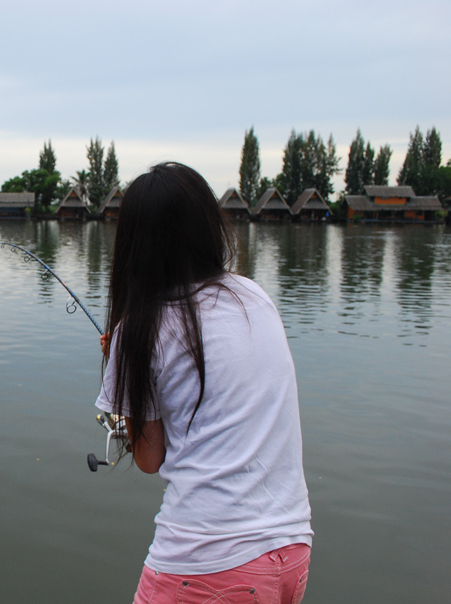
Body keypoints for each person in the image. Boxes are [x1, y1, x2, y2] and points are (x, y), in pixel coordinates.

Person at [95, 162, 312, 604]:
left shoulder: (139, 330)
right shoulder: (255, 296)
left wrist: (126, 384)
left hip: (207, 566)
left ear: (134, 243)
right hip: (291, 551)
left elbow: (150, 457)